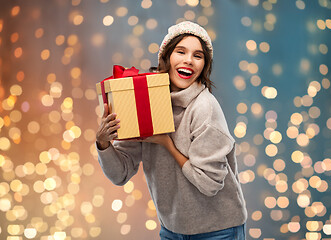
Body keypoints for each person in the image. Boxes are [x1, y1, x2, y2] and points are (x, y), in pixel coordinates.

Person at [96, 21, 247, 239]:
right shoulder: (143, 101)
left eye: (198, 55)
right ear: (166, 57)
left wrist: (166, 143)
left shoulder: (205, 108)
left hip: (218, 231)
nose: (188, 60)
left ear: (204, 66)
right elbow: (120, 174)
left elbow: (210, 184)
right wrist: (103, 144)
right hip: (172, 231)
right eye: (181, 51)